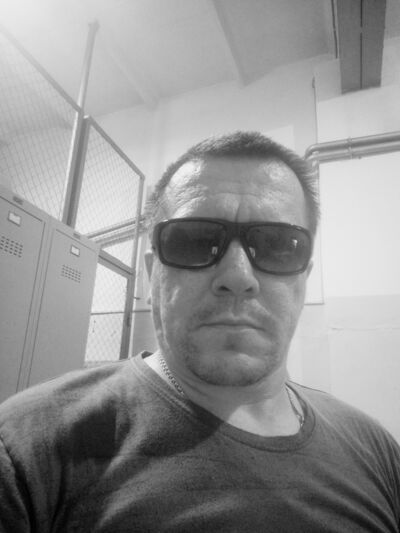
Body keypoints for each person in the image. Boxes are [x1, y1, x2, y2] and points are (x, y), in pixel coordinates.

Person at [0, 131, 399, 532]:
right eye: (193, 241)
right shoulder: (27, 454)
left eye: (278, 245)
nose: (238, 277)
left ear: (304, 279)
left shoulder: (376, 450)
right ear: (152, 274)